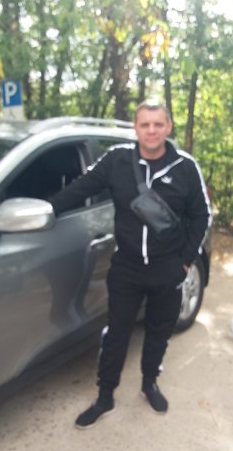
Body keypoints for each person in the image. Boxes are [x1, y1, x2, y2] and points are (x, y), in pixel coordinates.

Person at [50, 101, 212, 429]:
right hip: (127, 267)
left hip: (168, 268)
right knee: (116, 334)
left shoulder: (185, 167)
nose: (151, 130)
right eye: (145, 124)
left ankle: (149, 383)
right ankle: (105, 396)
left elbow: (201, 216)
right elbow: (80, 189)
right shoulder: (117, 160)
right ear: (135, 128)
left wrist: (184, 263)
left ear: (168, 127)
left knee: (158, 331)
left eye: (158, 124)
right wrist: (47, 209)